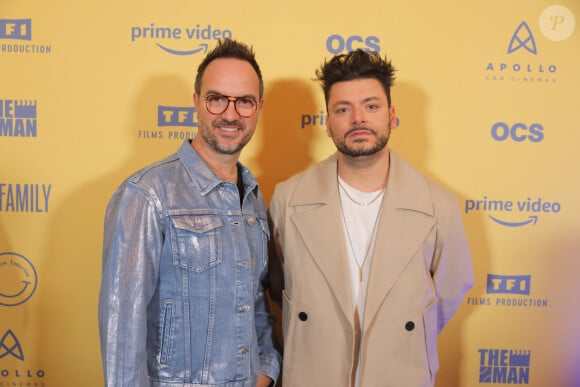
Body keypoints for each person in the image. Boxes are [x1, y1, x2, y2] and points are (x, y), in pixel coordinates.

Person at [268, 49, 474, 386]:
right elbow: (278, 287)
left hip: (400, 374)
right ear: (328, 123)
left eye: (371, 106)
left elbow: (451, 288)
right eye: (343, 109)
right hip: (312, 374)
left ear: (392, 115)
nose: (358, 119)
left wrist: (398, 334)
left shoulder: (440, 205)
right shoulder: (288, 199)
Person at [98, 39, 280, 387]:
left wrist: (265, 372)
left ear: (258, 108)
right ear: (197, 102)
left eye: (244, 101)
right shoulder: (147, 194)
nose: (230, 114)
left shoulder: (252, 198)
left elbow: (255, 305)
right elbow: (121, 336)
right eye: (216, 99)